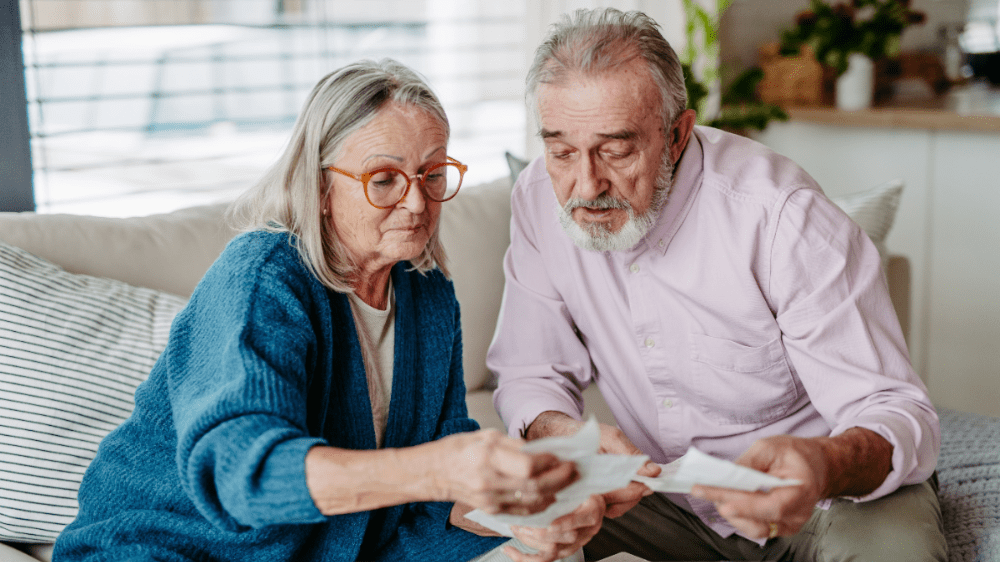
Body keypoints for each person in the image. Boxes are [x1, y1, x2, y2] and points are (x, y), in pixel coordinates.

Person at [53, 59, 601, 562]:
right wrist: (437, 469)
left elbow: (440, 491)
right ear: (318, 188)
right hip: (183, 549)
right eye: (384, 180)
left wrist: (528, 509)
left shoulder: (427, 292)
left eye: (433, 175)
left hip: (345, 544)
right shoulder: (262, 278)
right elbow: (247, 477)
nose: (416, 202)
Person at [488, 8, 946, 561]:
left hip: (826, 499)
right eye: (562, 151)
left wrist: (821, 465)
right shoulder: (539, 199)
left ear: (678, 135)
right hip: (662, 499)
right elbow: (529, 370)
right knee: (485, 535)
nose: (586, 184)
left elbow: (894, 409)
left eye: (616, 149)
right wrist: (566, 435)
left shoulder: (782, 218)